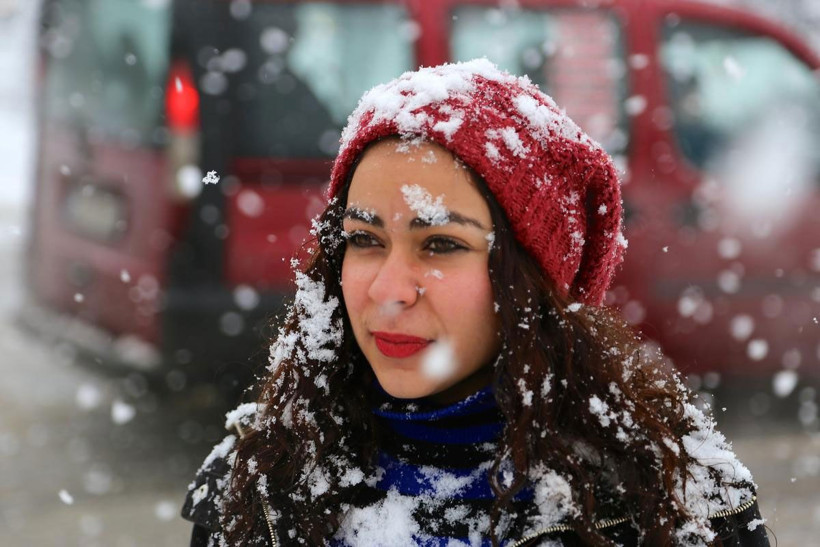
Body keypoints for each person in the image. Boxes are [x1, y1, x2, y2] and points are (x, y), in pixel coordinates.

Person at [181, 59, 768, 546]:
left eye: (440, 244)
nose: (388, 290)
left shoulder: (671, 499)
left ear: (531, 281)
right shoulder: (259, 482)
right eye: (364, 240)